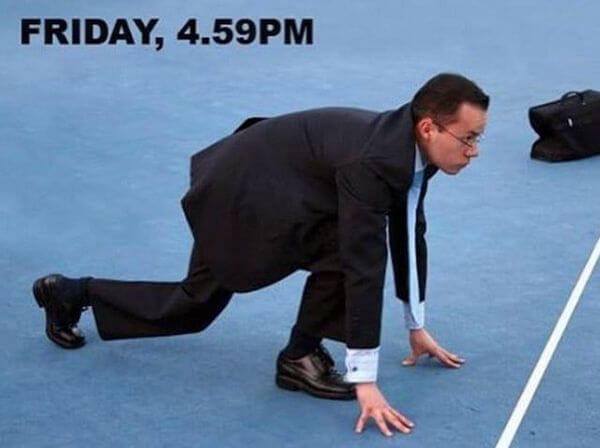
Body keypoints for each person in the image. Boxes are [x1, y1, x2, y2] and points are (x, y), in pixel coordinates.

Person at [32, 73, 489, 437]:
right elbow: (365, 264)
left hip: (283, 185)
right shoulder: (375, 161)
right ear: (428, 127)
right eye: (468, 138)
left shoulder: (411, 149)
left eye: (478, 139)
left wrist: (415, 325)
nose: (474, 152)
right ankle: (71, 293)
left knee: (339, 249)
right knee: (195, 305)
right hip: (243, 192)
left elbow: (409, 228)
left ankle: (299, 356)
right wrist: (365, 381)